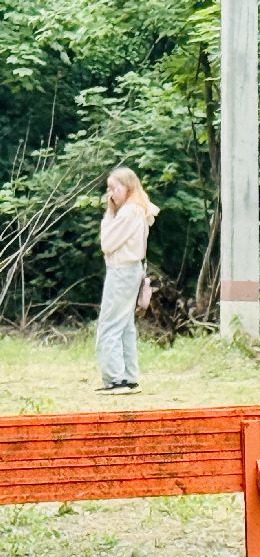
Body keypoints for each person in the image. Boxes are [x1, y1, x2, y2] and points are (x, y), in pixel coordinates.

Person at [96, 167, 158, 394]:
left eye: (115, 188)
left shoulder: (129, 211)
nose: (110, 194)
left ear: (128, 187)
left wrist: (109, 214)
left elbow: (107, 243)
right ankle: (129, 377)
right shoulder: (138, 209)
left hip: (122, 271)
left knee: (109, 325)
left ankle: (115, 379)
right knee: (124, 326)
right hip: (131, 270)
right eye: (108, 188)